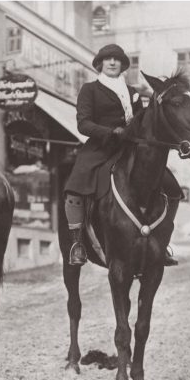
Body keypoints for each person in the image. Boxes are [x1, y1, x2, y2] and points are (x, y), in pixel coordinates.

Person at [63, 44, 181, 266]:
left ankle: (162, 242)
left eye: (117, 59)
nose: (112, 62)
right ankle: (77, 243)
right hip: (100, 147)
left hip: (132, 149)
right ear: (100, 63)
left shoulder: (133, 93)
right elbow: (83, 123)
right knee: (76, 186)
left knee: (172, 188)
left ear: (123, 65)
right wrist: (110, 132)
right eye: (107, 59)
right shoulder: (90, 89)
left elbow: (142, 121)